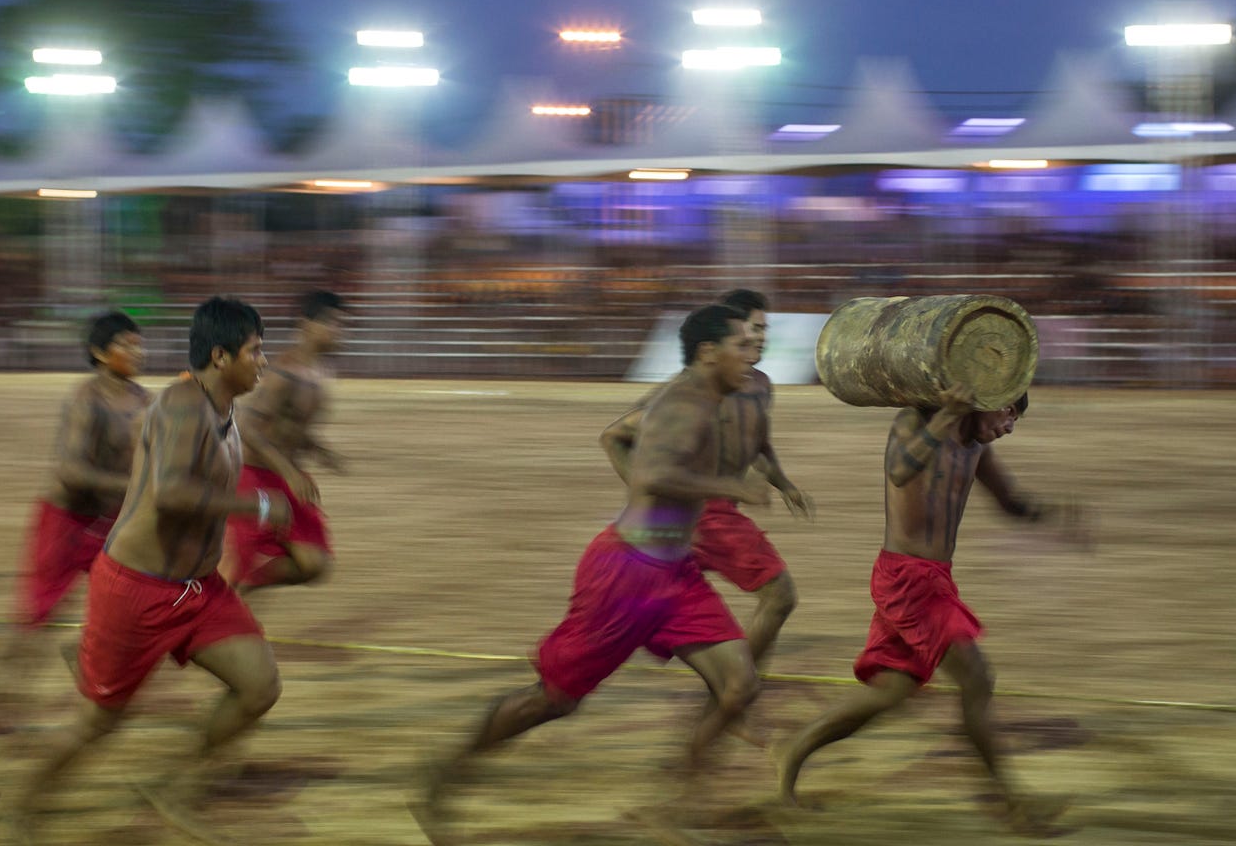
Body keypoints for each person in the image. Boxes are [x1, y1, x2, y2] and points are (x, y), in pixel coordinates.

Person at [417, 304, 771, 841]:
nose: (753, 354)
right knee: (554, 699)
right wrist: (729, 488)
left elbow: (616, 437)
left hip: (673, 576)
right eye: (742, 345)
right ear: (707, 352)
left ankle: (673, 807)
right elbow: (654, 474)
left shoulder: (696, 397)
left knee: (738, 684)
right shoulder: (685, 405)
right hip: (625, 577)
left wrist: (667, 523)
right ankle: (447, 773)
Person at [11, 297, 290, 844]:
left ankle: (177, 790)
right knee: (98, 724)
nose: (264, 361)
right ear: (220, 354)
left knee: (259, 687)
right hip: (137, 592)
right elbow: (171, 494)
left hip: (198, 590)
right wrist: (257, 507)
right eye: (256, 351)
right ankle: (24, 809)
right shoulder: (182, 406)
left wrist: (280, 474)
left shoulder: (225, 409)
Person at [775, 384, 1090, 832]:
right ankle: (1010, 804)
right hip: (908, 579)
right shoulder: (916, 422)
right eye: (1008, 413)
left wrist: (1055, 515)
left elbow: (1011, 502)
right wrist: (948, 414)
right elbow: (901, 470)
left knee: (890, 692)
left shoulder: (976, 447)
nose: (1009, 426)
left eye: (1015, 419)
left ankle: (793, 750)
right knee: (978, 679)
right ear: (985, 401)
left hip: (929, 580)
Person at [600, 289, 811, 666]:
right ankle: (740, 689)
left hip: (709, 514)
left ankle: (719, 674)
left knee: (669, 598)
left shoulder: (761, 386)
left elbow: (758, 445)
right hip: (709, 514)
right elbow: (615, 435)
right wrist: (645, 494)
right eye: (753, 329)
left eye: (765, 328)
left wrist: (784, 483)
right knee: (779, 596)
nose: (762, 337)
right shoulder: (688, 389)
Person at [0, 311, 150, 721]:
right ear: (98, 352)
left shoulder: (145, 401)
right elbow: (71, 471)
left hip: (110, 523)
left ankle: (88, 671)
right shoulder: (86, 400)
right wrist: (132, 488)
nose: (137, 351)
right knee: (38, 614)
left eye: (138, 343)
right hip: (65, 521)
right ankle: (1, 699)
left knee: (127, 606)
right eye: (126, 344)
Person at [226, 289, 348, 591]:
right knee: (233, 564)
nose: (340, 331)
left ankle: (246, 586)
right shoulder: (283, 373)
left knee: (315, 563)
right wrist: (290, 471)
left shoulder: (319, 372)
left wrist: (318, 449)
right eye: (333, 323)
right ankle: (217, 612)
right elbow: (247, 427)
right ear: (307, 325)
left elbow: (290, 426)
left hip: (284, 477)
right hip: (254, 478)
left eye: (342, 324)